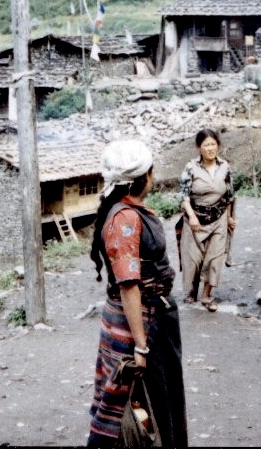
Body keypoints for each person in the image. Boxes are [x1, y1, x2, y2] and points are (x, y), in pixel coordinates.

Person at [87, 139, 187, 448]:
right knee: (133, 402)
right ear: (144, 176)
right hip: (137, 325)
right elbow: (128, 284)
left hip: (153, 317)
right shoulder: (125, 219)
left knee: (158, 396)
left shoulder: (129, 211)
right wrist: (141, 347)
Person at [176, 128, 236, 312]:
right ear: (198, 147)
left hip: (218, 218)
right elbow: (183, 195)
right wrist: (192, 216)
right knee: (193, 258)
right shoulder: (191, 168)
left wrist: (229, 217)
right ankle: (191, 291)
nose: (210, 148)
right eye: (206, 145)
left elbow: (229, 195)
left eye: (213, 144)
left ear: (218, 145)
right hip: (195, 219)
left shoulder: (225, 167)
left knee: (215, 258)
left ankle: (207, 295)